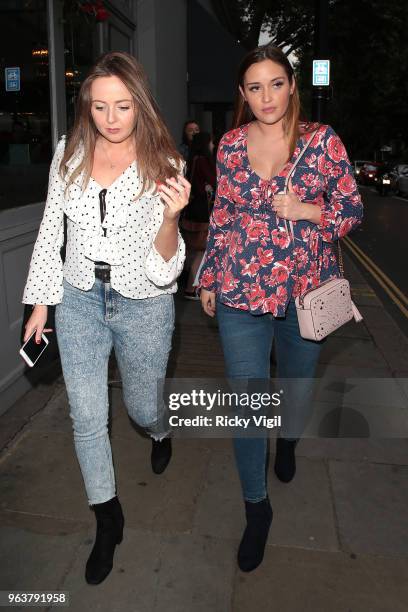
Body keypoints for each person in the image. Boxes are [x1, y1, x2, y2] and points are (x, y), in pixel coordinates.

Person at [22, 51, 190, 585]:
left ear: (138, 104)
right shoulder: (67, 153)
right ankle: (107, 516)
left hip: (142, 300)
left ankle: (160, 431)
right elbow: (52, 229)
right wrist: (41, 302)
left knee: (141, 407)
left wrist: (171, 219)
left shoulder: (165, 161)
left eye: (122, 105)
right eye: (99, 107)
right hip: (77, 301)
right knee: (87, 417)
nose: (112, 118)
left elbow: (167, 269)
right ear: (86, 107)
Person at [198, 43, 363, 572]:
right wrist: (208, 275)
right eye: (254, 87)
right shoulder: (227, 145)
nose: (265, 96)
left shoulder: (321, 142)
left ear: (292, 85)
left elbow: (352, 209)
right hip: (241, 292)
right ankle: (256, 507)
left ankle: (289, 438)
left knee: (296, 384)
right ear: (242, 94)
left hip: (304, 294)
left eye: (275, 83)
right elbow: (221, 214)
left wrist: (309, 209)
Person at [182, 131, 216, 299]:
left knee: (193, 250)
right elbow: (213, 179)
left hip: (191, 210)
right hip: (201, 210)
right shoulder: (202, 161)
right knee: (201, 251)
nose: (213, 146)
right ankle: (191, 288)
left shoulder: (191, 160)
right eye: (211, 142)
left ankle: (187, 285)